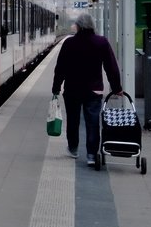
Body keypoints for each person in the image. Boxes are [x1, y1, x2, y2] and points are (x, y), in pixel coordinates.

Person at [52, 11, 122, 166]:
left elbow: (60, 68)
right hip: (94, 90)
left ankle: (73, 149)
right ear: (92, 26)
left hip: (72, 90)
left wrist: (56, 87)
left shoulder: (69, 43)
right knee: (93, 122)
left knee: (73, 120)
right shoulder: (101, 42)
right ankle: (91, 155)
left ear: (78, 26)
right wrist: (117, 87)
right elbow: (111, 67)